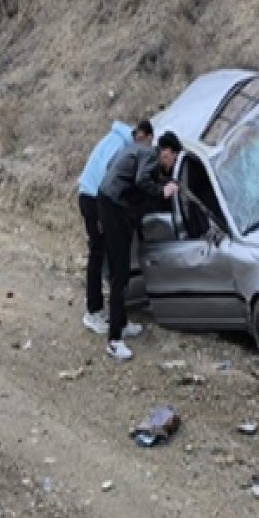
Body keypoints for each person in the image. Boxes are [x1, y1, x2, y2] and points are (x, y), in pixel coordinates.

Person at [96, 129, 182, 361]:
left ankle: (122, 323)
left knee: (121, 270)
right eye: (173, 158)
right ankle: (114, 341)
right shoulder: (151, 157)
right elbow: (142, 180)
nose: (171, 163)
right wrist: (162, 191)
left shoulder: (142, 151)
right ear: (167, 152)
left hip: (109, 202)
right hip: (113, 207)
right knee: (120, 273)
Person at [76, 119, 138, 335]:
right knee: (97, 253)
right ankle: (93, 311)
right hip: (93, 199)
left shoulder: (118, 139)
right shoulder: (120, 145)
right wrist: (103, 216)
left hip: (94, 197)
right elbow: (106, 179)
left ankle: (118, 318)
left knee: (110, 257)